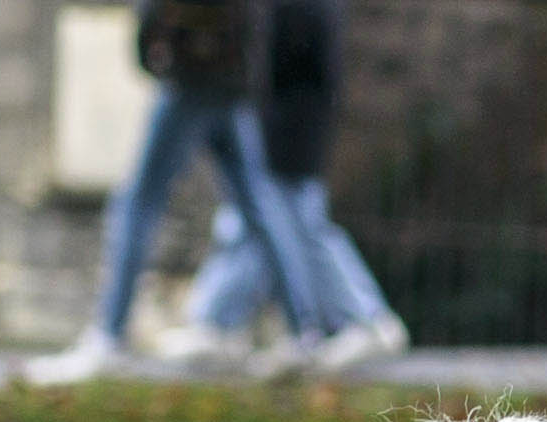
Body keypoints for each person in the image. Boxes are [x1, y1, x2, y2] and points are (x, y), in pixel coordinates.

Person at [27, 0, 332, 385]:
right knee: (260, 207)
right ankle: (304, 332)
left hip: (191, 75)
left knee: (137, 204)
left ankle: (108, 336)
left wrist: (153, 51)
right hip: (230, 76)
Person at [156, 0, 404, 371]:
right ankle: (219, 323)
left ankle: (362, 318)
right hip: (284, 126)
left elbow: (294, 62)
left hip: (289, 130)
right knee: (263, 223)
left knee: (293, 225)